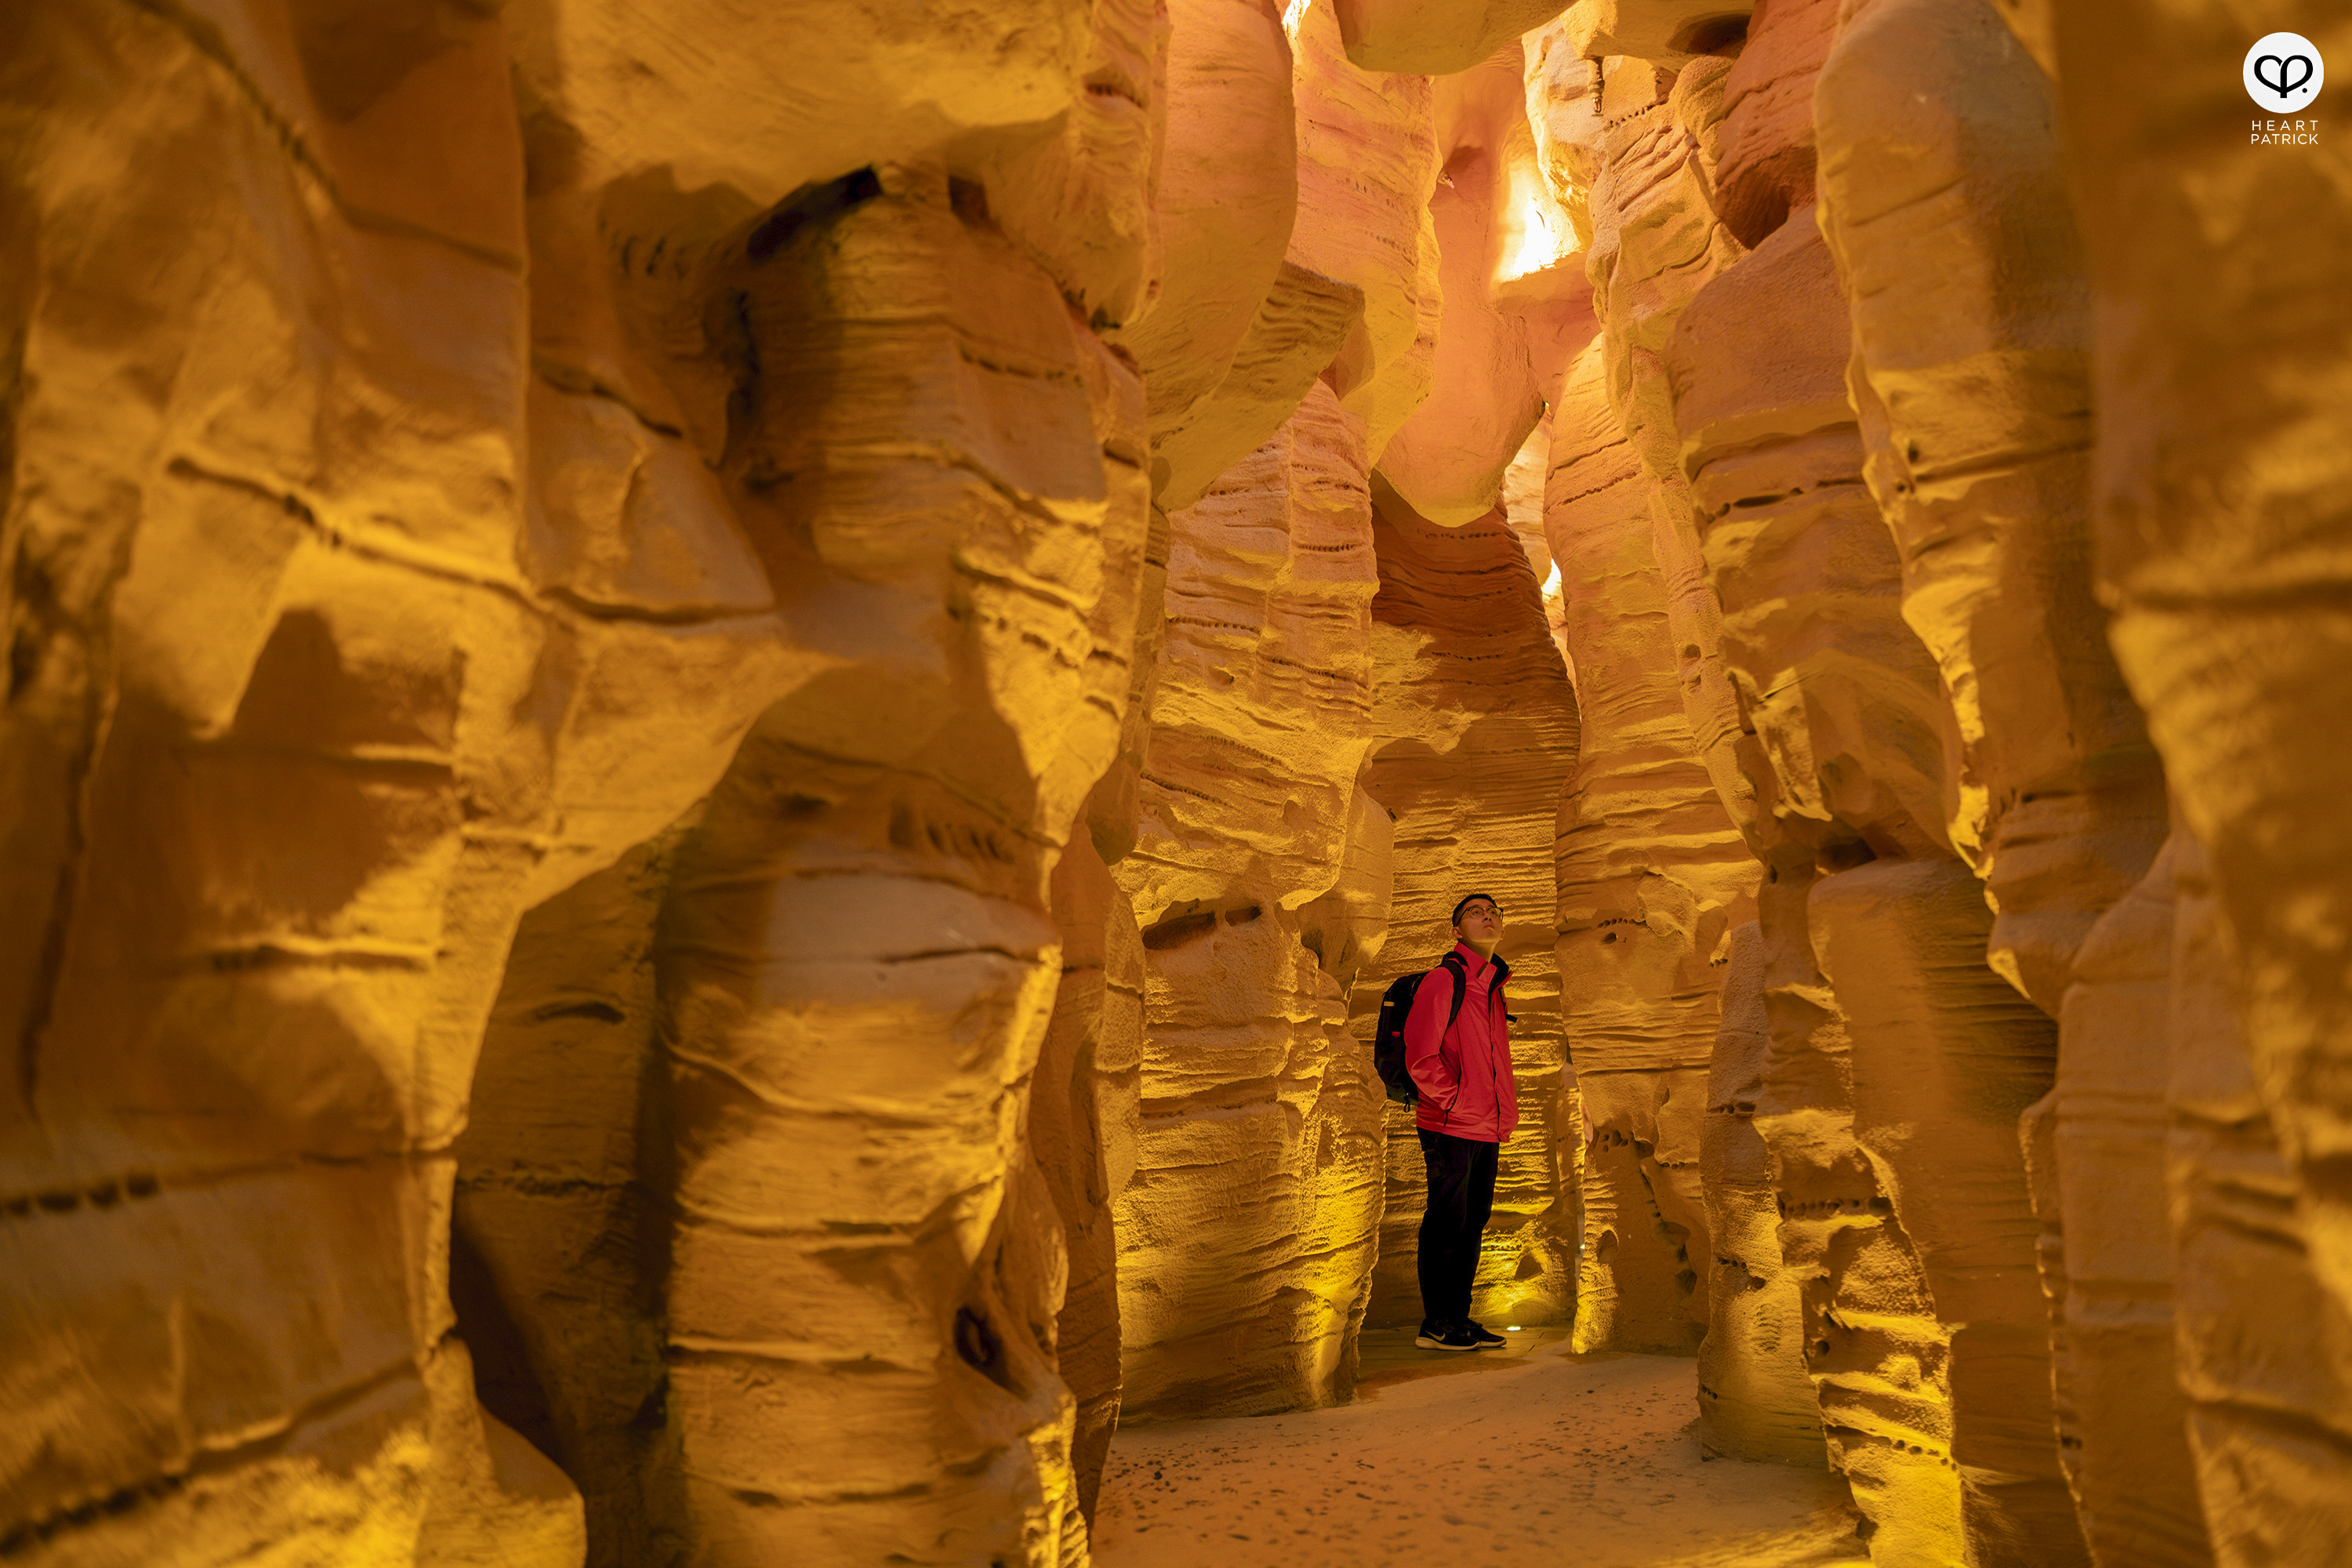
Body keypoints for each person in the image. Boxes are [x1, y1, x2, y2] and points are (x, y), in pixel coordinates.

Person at [1404, 892, 1518, 1352]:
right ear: (1456, 931)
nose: (1487, 916)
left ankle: (1458, 1318)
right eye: (1475, 912)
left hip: (1484, 1125)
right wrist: (1453, 1101)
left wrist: (1498, 1112)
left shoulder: (1492, 986)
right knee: (1447, 1221)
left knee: (1472, 1222)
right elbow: (1420, 1056)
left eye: (1494, 911)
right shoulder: (1444, 979)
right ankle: (1436, 1323)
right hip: (1450, 1122)